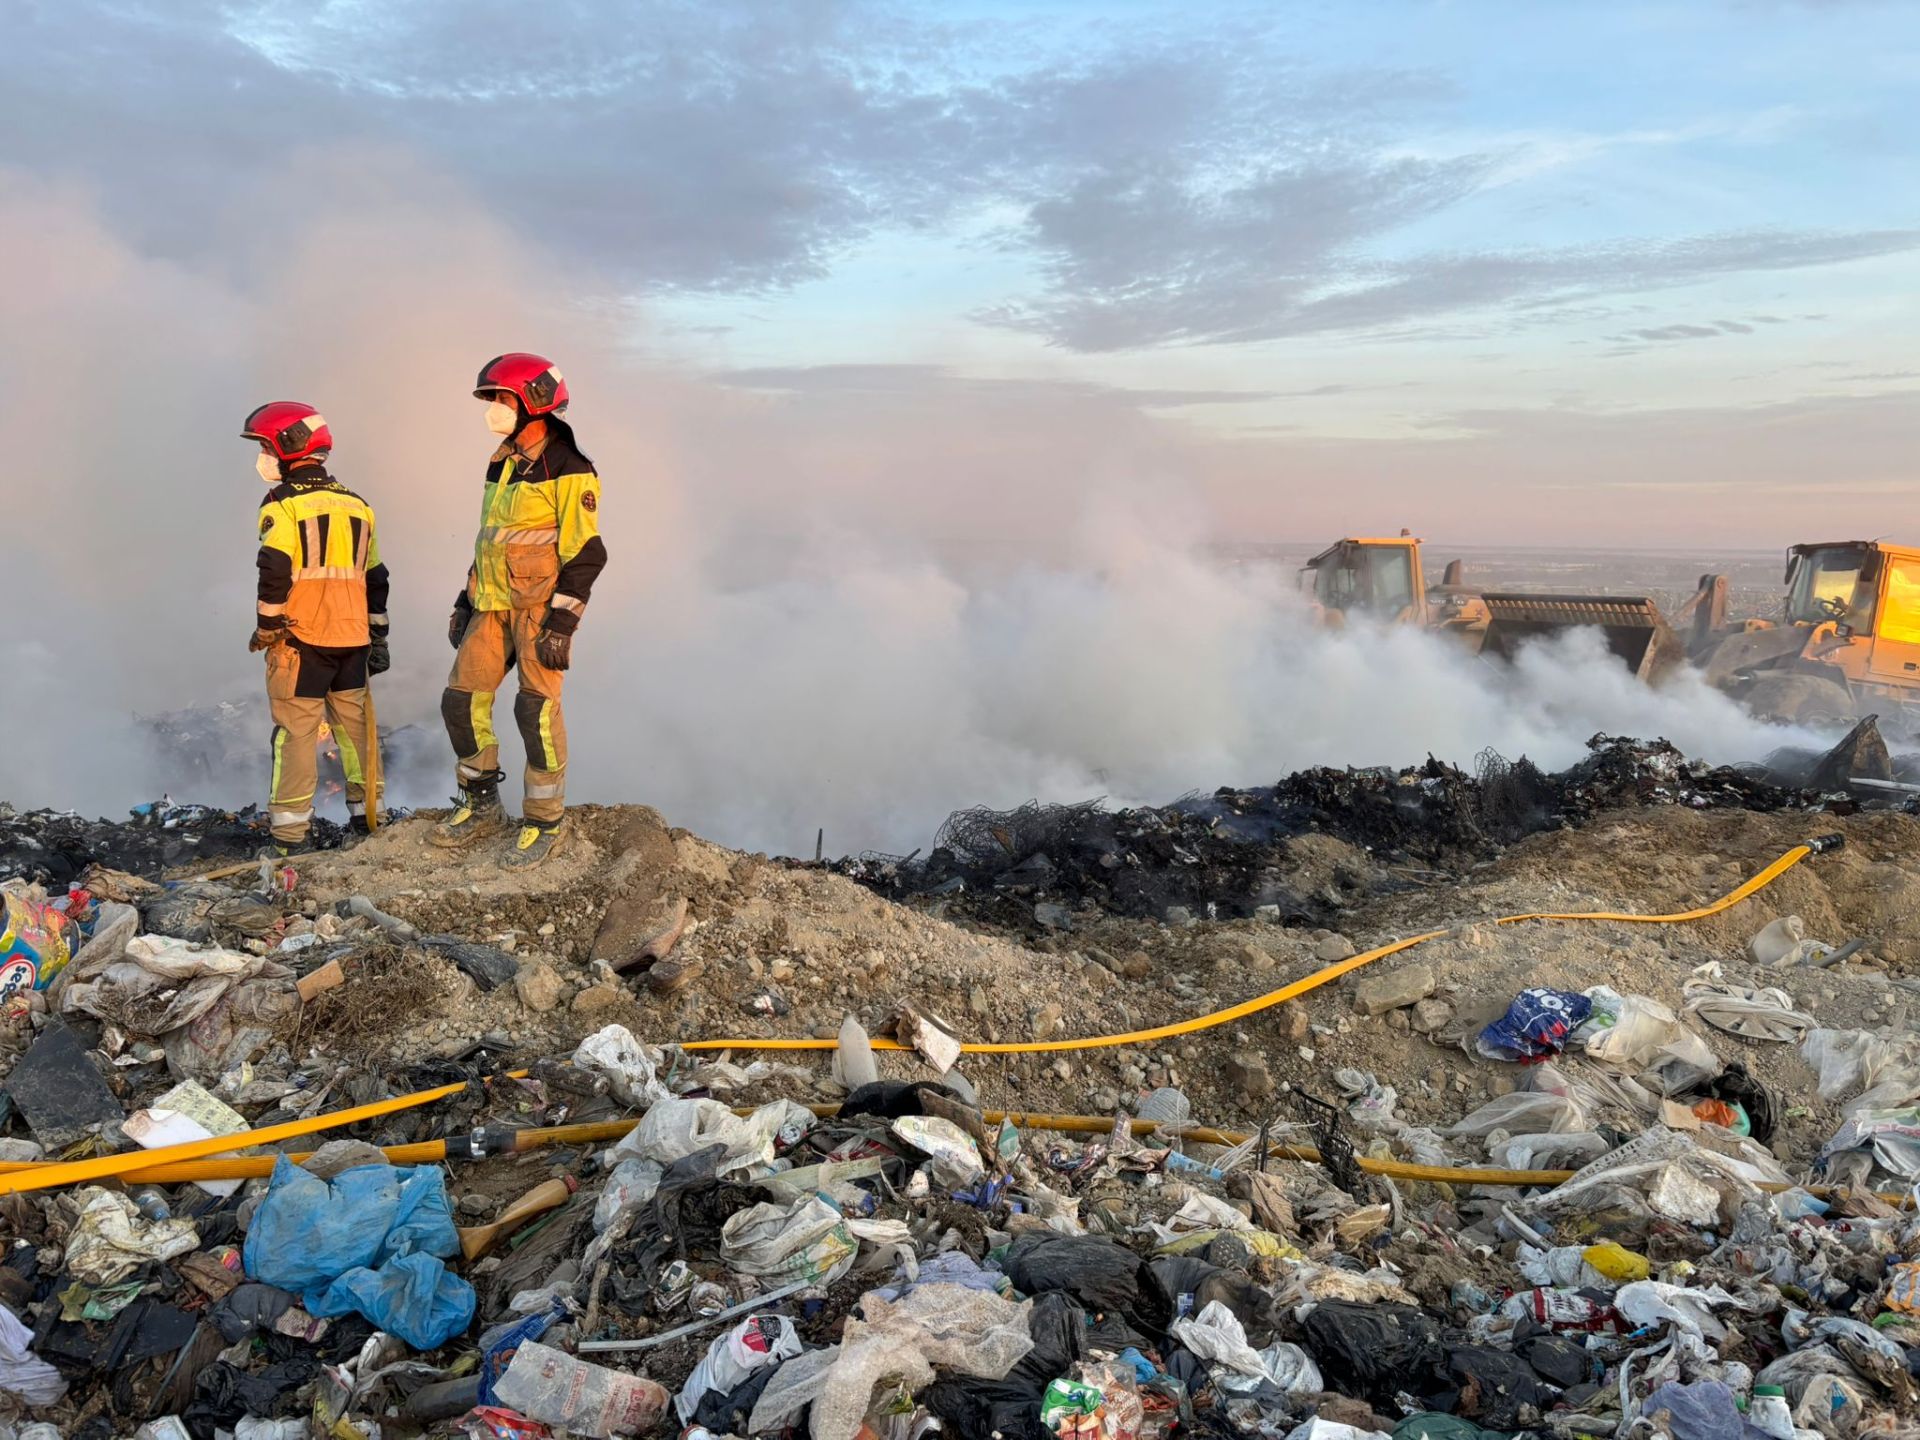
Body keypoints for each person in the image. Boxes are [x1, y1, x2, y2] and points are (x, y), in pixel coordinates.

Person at [433, 353, 605, 865]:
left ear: (533, 403)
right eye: (492, 400)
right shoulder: (501, 462)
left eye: (502, 399)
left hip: (537, 612)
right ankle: (480, 805)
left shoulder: (571, 469)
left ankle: (543, 822)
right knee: (460, 702)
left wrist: (563, 624)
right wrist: (464, 602)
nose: (494, 409)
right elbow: (491, 540)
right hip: (490, 607)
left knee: (534, 711)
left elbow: (585, 554)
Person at [244, 401, 389, 854]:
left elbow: (274, 569)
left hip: (302, 640)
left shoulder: (282, 505)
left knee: (297, 734)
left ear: (289, 446)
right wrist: (379, 636)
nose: (263, 456)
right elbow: (376, 578)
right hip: (354, 641)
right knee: (356, 732)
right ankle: (370, 820)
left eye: (266, 445)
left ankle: (290, 835)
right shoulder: (359, 506)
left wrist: (268, 627)